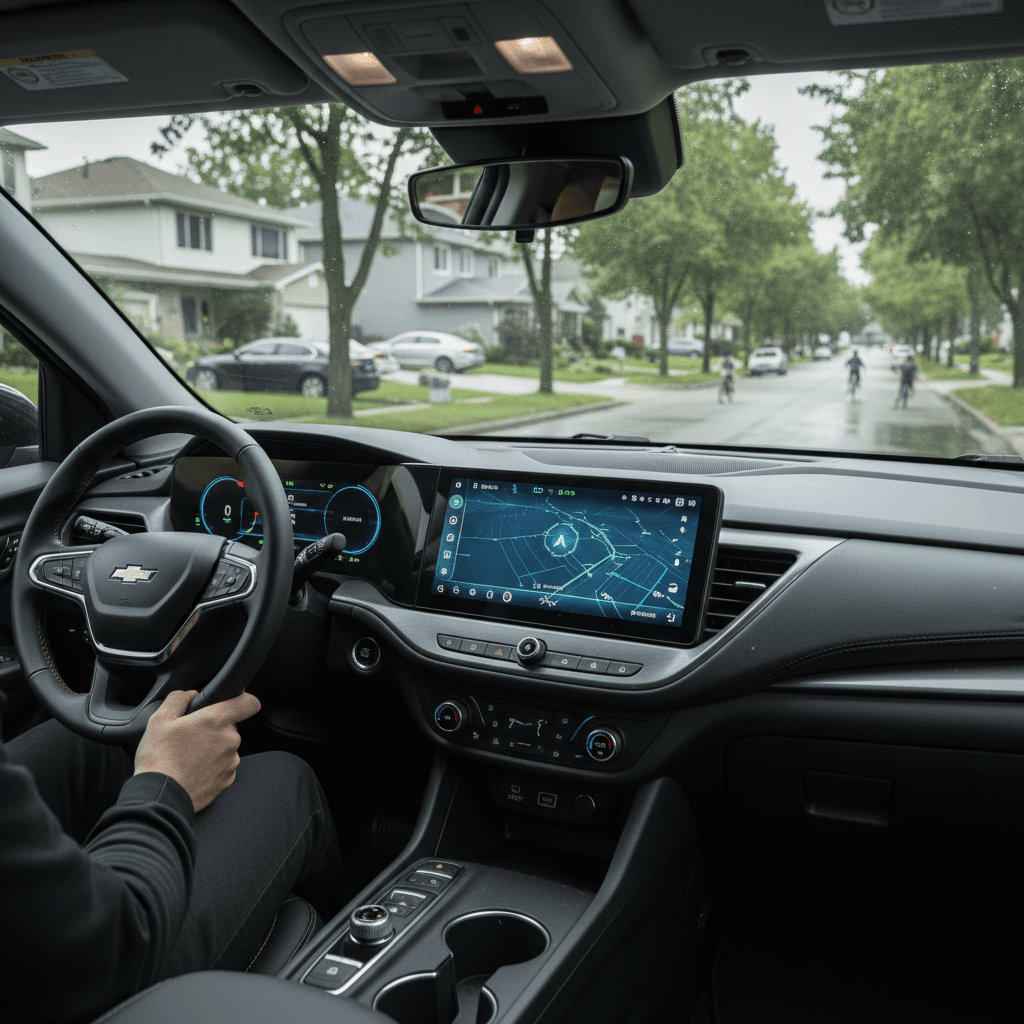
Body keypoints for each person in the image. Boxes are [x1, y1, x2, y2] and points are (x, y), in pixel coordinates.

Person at [0, 687, 344, 1024]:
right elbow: (104, 946)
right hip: (91, 972)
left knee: (85, 742)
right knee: (283, 780)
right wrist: (166, 784)